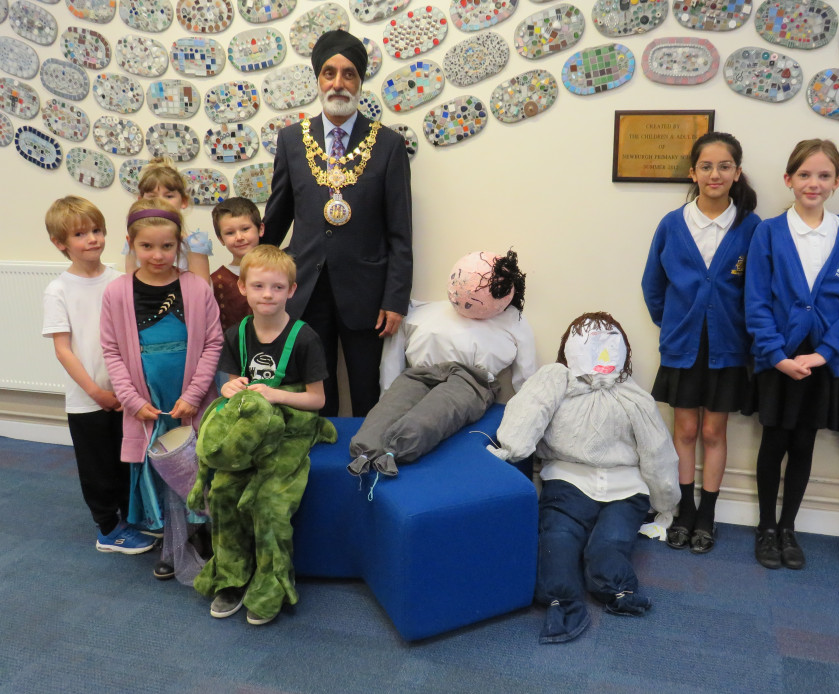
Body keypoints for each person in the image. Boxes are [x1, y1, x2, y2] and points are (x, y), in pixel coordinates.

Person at [488, 312, 680, 644]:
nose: (603, 355)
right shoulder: (556, 381)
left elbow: (656, 451)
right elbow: (530, 409)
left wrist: (665, 504)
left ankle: (617, 589)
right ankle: (561, 601)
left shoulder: (633, 397)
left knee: (609, 544)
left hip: (626, 489)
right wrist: (512, 447)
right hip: (567, 481)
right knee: (557, 538)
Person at [262, 28, 413, 418]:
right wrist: (249, 268)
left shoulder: (389, 145)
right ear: (318, 79)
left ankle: (366, 464)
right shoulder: (292, 141)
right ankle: (320, 465)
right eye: (329, 73)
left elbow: (401, 232)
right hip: (305, 290)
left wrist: (395, 300)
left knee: (367, 391)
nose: (338, 83)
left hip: (367, 295)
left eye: (349, 74)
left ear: (360, 82)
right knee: (314, 391)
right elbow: (275, 220)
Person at [745, 139, 839, 571]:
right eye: (804, 174)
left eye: (823, 176)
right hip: (778, 356)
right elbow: (756, 300)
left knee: (804, 443)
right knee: (775, 440)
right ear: (789, 179)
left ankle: (788, 527)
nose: (813, 183)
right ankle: (765, 527)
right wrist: (776, 355)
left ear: (837, 182)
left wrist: (824, 355)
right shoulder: (768, 231)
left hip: (822, 358)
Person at [193, 245, 329, 626]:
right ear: (242, 288)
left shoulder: (305, 338)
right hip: (249, 427)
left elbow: (317, 399)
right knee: (222, 493)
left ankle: (270, 585)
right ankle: (231, 578)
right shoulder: (236, 333)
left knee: (270, 503)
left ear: (292, 290)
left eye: (276, 287)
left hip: (292, 426)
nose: (267, 294)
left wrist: (275, 394)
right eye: (258, 286)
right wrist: (229, 388)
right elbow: (224, 386)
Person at [641, 131, 760, 554]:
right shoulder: (673, 224)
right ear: (693, 172)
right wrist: (674, 324)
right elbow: (653, 286)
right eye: (706, 166)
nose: (715, 174)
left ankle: (708, 514)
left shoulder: (749, 226)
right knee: (685, 428)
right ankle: (684, 508)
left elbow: (758, 290)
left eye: (724, 166)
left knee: (714, 429)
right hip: (683, 344)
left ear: (737, 172)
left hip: (729, 346)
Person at [101, 198, 223, 583]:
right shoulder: (117, 293)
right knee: (161, 466)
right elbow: (113, 351)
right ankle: (173, 543)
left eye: (167, 246)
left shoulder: (196, 288)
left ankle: (200, 535)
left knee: (195, 463)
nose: (157, 255)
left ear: (180, 246)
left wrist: (195, 393)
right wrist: (133, 401)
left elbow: (212, 343)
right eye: (147, 246)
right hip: (146, 399)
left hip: (190, 395)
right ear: (130, 244)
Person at [348, 251, 536, 477]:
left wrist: (524, 420)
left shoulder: (513, 320)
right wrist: (387, 391)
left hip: (471, 380)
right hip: (419, 373)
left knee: (432, 415)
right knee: (390, 408)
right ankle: (365, 451)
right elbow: (391, 362)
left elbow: (526, 377)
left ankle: (393, 453)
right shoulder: (423, 310)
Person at [42, 196, 155, 555]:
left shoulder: (121, 281)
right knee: (97, 466)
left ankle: (129, 517)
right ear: (61, 243)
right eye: (80, 234)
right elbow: (63, 350)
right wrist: (96, 392)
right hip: (88, 399)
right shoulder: (58, 290)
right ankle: (107, 528)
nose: (92, 238)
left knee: (126, 458)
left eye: (97, 230)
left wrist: (128, 390)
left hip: (125, 393)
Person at [123, 157, 213, 285]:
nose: (161, 202)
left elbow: (201, 290)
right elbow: (130, 283)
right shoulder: (135, 241)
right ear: (140, 200)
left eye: (169, 196)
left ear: (184, 201)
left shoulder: (194, 243)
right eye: (152, 197)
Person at [210, 196, 264, 332]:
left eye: (245, 229)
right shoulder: (216, 281)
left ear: (260, 229)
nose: (239, 237)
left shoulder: (279, 272)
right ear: (221, 239)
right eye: (230, 233)